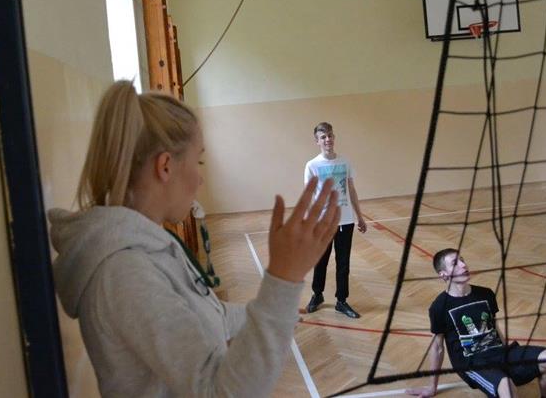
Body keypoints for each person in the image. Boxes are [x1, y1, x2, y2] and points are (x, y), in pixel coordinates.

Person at [48, 80, 341, 398]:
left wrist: (271, 311)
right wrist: (283, 279)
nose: (200, 178)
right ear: (165, 166)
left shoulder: (149, 245)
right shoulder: (124, 272)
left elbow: (209, 316)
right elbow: (219, 392)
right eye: (198, 161)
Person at [406, 248, 546, 398]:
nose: (463, 265)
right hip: (472, 362)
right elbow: (437, 348)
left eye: (462, 260)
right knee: (507, 387)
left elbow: (495, 328)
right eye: (455, 263)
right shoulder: (439, 307)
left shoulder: (486, 294)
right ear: (444, 274)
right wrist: (432, 386)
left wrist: (507, 356)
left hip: (499, 353)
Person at [304, 122, 367, 319]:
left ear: (334, 137)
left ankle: (342, 301)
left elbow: (352, 190)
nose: (327, 139)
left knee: (343, 263)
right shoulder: (312, 165)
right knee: (320, 261)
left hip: (345, 222)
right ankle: (317, 295)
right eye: (323, 137)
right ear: (317, 141)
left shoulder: (345, 162)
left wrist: (359, 216)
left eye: (330, 135)